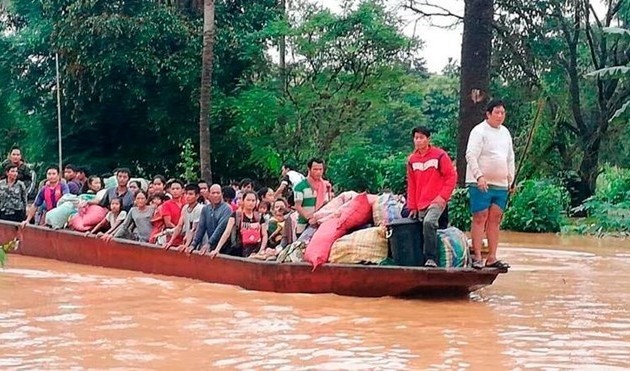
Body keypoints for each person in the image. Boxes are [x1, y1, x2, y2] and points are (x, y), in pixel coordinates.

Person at [465, 99, 515, 269]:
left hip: (501, 184)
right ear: (488, 114)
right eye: (497, 112)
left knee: (495, 219)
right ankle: (477, 256)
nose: (500, 116)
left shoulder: (506, 133)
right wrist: (479, 176)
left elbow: (510, 158)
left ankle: (492, 257)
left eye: (502, 113)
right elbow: (471, 155)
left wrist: (511, 179)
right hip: (481, 182)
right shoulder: (479, 131)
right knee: (480, 217)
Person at [406, 126, 457, 268]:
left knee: (429, 223)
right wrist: (413, 206)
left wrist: (443, 197)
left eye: (421, 138)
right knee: (420, 228)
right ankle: (421, 259)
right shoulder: (412, 160)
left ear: (428, 139)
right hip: (421, 202)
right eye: (416, 138)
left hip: (437, 200)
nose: (418, 141)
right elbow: (412, 185)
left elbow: (451, 177)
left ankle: (431, 258)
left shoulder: (440, 155)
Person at [209, 190, 268, 258]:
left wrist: (261, 250)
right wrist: (217, 249)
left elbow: (264, 234)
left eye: (253, 200)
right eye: (248, 200)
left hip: (256, 250)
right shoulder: (236, 215)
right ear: (243, 201)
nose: (251, 203)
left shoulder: (259, 217)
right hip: (239, 251)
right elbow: (227, 232)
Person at [188, 184, 232, 254]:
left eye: (218, 193)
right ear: (209, 194)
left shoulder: (226, 209)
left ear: (222, 194)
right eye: (213, 193)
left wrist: (209, 243)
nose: (215, 195)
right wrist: (193, 244)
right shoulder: (206, 209)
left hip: (225, 246)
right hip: (212, 245)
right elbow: (201, 228)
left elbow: (220, 228)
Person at [293, 158, 332, 236]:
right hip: (304, 224)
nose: (318, 172)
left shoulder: (325, 186)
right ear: (309, 169)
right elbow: (298, 206)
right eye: (315, 169)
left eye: (320, 169)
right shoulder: (300, 186)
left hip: (321, 223)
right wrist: (309, 217)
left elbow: (327, 204)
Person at [163, 184, 204, 251]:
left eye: (190, 194)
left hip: (199, 242)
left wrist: (186, 245)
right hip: (188, 241)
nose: (187, 196)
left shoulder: (200, 209)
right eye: (186, 194)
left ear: (197, 196)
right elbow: (179, 226)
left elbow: (193, 229)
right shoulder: (185, 208)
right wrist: (170, 242)